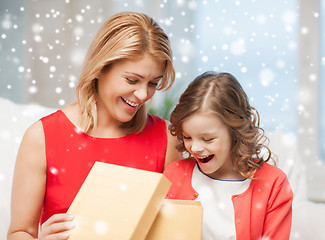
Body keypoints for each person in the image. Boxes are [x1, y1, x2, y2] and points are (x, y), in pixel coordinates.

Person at [7, 11, 181, 240]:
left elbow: (179, 228)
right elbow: (20, 232)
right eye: (132, 80)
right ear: (101, 68)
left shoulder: (167, 140)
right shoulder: (41, 138)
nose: (142, 94)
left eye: (153, 83)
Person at [163, 71, 293, 240]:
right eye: (187, 137)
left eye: (207, 139)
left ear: (235, 132)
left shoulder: (273, 184)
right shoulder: (175, 175)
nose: (194, 147)